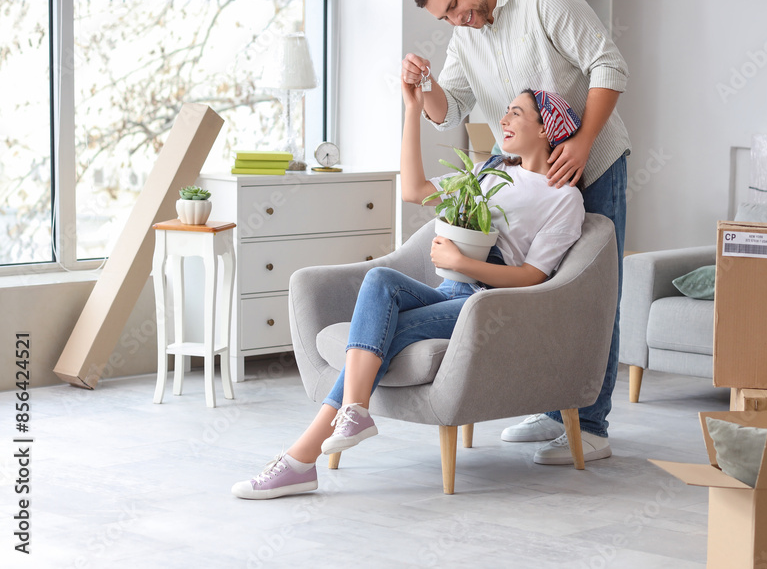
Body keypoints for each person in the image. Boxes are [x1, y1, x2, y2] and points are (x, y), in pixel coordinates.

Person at [231, 84, 586, 499]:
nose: (504, 120)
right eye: (505, 112)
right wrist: (412, 110)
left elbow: (533, 276)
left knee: (386, 336)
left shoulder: (565, 199)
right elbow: (414, 190)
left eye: (516, 113)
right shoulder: (492, 171)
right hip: (450, 289)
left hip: (485, 303)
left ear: (546, 130)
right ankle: (353, 414)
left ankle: (299, 459)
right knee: (380, 280)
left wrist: (463, 263)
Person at [402, 0, 629, 465]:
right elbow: (450, 111)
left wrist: (584, 139)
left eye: (456, 5)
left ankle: (591, 424)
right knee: (544, 295)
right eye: (446, 17)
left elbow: (609, 64)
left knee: (594, 295)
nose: (458, 19)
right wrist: (423, 86)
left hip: (592, 161)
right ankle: (554, 410)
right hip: (529, 175)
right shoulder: (467, 36)